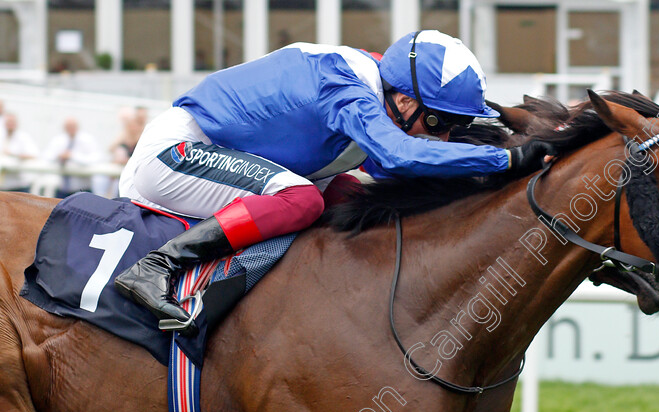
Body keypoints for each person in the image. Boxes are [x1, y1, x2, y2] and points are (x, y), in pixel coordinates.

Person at [115, 30, 555, 325]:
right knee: (302, 199)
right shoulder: (344, 83)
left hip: (228, 156)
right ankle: (158, 266)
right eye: (440, 123)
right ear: (403, 100)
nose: (444, 136)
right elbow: (399, 155)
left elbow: (395, 168)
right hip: (176, 154)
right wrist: (508, 163)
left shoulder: (379, 96)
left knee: (348, 196)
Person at [43, 117, 102, 195]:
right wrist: (59, 156)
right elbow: (46, 157)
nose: (70, 129)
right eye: (68, 127)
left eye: (73, 126)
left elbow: (96, 159)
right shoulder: (58, 140)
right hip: (62, 189)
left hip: (82, 189)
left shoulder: (87, 140)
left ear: (78, 127)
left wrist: (72, 156)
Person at [1, 113, 39, 191]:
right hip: (3, 186)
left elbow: (33, 155)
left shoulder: (23, 137)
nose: (10, 124)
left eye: (12, 122)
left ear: (16, 123)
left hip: (19, 186)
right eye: (8, 122)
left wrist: (14, 155)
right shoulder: (2, 137)